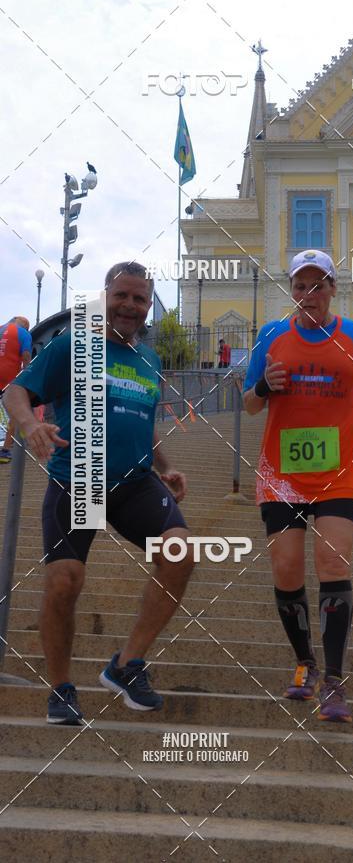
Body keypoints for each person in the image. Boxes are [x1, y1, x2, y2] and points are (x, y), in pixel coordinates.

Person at [4, 262, 195, 725]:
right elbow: (15, 391)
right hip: (79, 477)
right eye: (121, 296)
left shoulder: (148, 359)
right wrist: (30, 426)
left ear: (148, 305)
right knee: (65, 581)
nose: (130, 305)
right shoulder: (75, 343)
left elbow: (140, 420)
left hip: (134, 483)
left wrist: (167, 468)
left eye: (140, 298)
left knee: (181, 552)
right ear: (104, 297)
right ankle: (61, 688)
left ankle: (126, 666)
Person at [243, 249, 353, 723]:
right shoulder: (271, 336)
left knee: (332, 561)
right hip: (281, 473)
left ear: (333, 288)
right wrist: (265, 385)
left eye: (318, 285)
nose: (309, 294)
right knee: (286, 569)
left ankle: (332, 678)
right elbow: (248, 403)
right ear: (291, 290)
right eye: (300, 286)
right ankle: (304, 661)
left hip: (340, 469)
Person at [0, 316, 32, 463]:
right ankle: (5, 451)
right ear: (25, 325)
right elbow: (26, 355)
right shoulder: (23, 333)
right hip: (9, 377)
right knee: (14, 413)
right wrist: (28, 375)